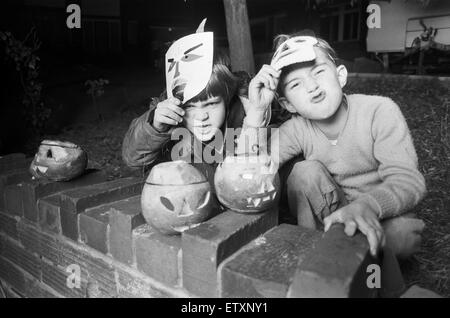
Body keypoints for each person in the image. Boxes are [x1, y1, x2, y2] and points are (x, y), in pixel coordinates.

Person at [241, 32, 426, 259]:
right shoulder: (297, 128)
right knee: (303, 172)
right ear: (288, 104)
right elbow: (250, 171)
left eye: (318, 71)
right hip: (332, 209)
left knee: (402, 235)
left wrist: (368, 207)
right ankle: (316, 249)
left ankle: (345, 247)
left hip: (379, 210)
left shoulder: (380, 110)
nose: (311, 86)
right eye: (296, 84)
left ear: (340, 75)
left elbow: (408, 181)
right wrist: (256, 112)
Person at [122, 24, 270, 187]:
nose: (202, 117)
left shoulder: (245, 110)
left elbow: (260, 173)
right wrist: (155, 128)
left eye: (211, 104)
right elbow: (133, 160)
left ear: (226, 99)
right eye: (190, 107)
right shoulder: (166, 116)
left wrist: (255, 117)